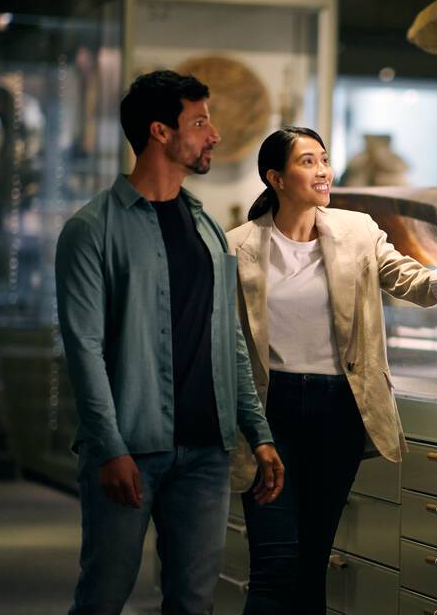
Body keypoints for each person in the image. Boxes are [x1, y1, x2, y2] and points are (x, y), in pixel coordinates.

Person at [227, 126, 437, 614]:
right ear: (274, 177)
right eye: (307, 162)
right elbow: (229, 343)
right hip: (268, 412)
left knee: (313, 560)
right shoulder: (237, 246)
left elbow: (411, 282)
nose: (322, 171)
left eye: (323, 159)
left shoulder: (357, 230)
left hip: (338, 409)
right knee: (275, 561)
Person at [56, 70, 284, 615]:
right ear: (160, 132)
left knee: (194, 602)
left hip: (206, 448)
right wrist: (109, 447)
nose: (214, 135)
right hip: (131, 445)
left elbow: (226, 338)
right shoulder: (92, 229)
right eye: (200, 122)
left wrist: (258, 430)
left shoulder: (205, 227)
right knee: (103, 596)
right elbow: (83, 348)